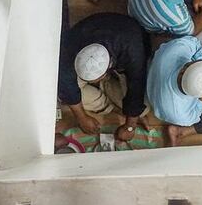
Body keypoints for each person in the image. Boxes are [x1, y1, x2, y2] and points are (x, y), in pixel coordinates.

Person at [57, 13, 151, 142]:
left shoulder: (132, 52)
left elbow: (137, 86)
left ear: (106, 70)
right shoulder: (69, 48)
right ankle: (108, 105)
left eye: (96, 79)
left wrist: (130, 126)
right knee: (60, 93)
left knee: (143, 108)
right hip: (97, 34)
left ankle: (108, 91)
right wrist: (82, 118)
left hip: (126, 40)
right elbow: (65, 84)